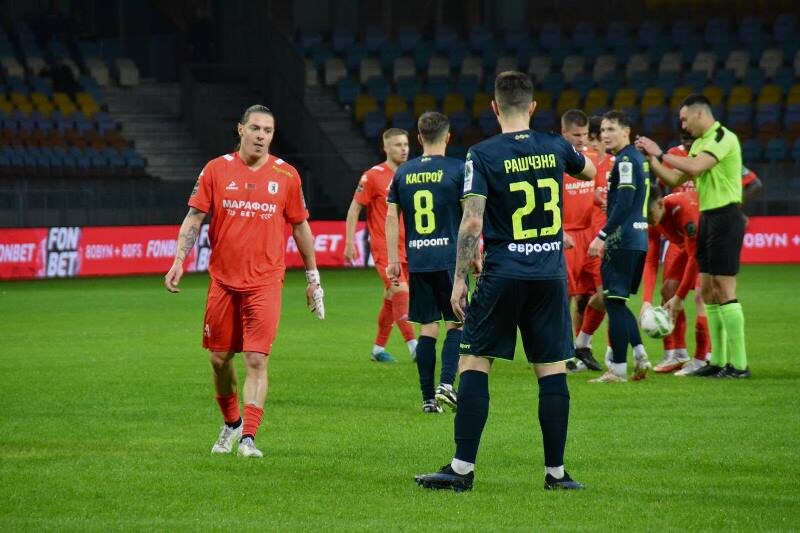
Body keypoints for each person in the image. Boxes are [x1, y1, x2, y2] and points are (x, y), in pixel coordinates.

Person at [414, 71, 595, 492]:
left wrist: (459, 279)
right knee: (551, 371)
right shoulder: (555, 145)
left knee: (474, 362)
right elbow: (587, 170)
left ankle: (462, 469)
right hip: (549, 275)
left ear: (494, 107)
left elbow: (472, 220)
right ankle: (556, 474)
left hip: (502, 273)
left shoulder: (482, 153)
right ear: (533, 106)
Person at [164, 105, 325, 459]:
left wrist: (313, 278)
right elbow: (194, 217)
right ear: (240, 130)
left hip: (265, 281)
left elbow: (300, 226)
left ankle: (249, 437)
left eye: (267, 130)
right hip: (223, 281)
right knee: (219, 359)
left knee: (256, 359)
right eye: (255, 128)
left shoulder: (286, 175)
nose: (261, 136)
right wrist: (178, 260)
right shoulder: (216, 169)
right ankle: (231, 423)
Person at [636, 94, 750, 378]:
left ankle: (739, 365)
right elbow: (676, 178)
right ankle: (717, 360)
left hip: (726, 215)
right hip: (708, 217)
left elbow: (696, 168)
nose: (683, 125)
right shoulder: (699, 144)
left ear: (701, 114)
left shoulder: (722, 137)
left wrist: (661, 153)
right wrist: (652, 160)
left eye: (685, 119)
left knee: (725, 289)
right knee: (708, 290)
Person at [385, 111, 465, 413]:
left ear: (419, 138)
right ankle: (446, 384)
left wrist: (393, 259)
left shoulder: (403, 172)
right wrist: (475, 255)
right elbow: (469, 216)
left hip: (418, 260)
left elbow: (391, 216)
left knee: (428, 328)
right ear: (448, 137)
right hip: (450, 260)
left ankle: (428, 399)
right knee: (457, 323)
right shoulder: (458, 169)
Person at [587, 110, 652, 383]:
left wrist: (601, 235)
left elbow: (625, 202)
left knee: (613, 303)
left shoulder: (625, 160)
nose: (605, 135)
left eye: (611, 129)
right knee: (618, 302)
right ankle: (639, 355)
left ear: (626, 131)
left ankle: (618, 369)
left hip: (622, 240)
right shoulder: (638, 159)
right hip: (638, 238)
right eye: (603, 130)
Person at [344, 128, 417, 363]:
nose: (403, 149)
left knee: (391, 297)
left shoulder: (411, 173)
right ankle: (415, 348)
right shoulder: (373, 176)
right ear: (385, 148)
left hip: (408, 247)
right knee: (401, 292)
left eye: (406, 144)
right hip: (384, 247)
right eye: (398, 145)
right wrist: (349, 242)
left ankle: (377, 350)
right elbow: (354, 208)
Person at [642, 188, 711, 376]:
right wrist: (646, 301)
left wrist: (680, 297)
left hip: (709, 243)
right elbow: (651, 259)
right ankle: (679, 355)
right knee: (668, 291)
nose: (648, 219)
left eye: (650, 214)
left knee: (701, 296)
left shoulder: (683, 209)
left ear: (660, 204)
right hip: (686, 246)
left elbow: (695, 256)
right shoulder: (652, 218)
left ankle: (703, 358)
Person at [560, 110, 603, 371]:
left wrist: (599, 199)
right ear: (564, 133)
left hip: (590, 235)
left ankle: (582, 344)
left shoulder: (591, 158)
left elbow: (589, 190)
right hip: (566, 235)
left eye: (585, 134)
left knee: (602, 293)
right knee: (563, 296)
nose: (582, 139)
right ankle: (563, 352)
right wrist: (557, 230)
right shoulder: (556, 161)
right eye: (576, 135)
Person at [570, 116, 614, 371]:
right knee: (577, 298)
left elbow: (600, 195)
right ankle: (574, 353)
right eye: (590, 137)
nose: (591, 142)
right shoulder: (575, 161)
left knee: (606, 294)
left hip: (599, 238)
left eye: (591, 137)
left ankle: (599, 348)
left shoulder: (610, 163)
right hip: (576, 237)